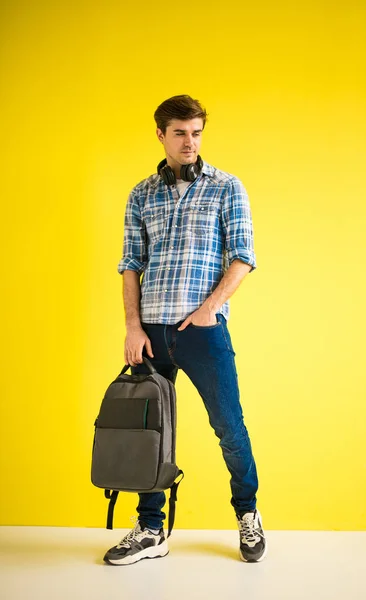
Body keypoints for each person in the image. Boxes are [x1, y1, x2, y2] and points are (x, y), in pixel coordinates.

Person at [103, 95, 267, 566]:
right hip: (151, 331)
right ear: (161, 135)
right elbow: (131, 264)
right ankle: (151, 529)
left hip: (201, 330)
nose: (190, 141)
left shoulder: (227, 187)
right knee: (149, 430)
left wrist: (210, 308)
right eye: (180, 132)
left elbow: (243, 256)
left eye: (196, 132)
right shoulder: (141, 194)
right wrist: (133, 326)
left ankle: (248, 514)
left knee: (229, 428)